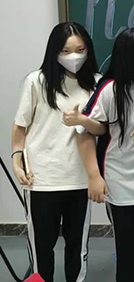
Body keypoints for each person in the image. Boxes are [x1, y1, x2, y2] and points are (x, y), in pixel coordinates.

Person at [63, 28, 134, 282]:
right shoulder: (110, 89)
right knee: (127, 256)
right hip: (121, 185)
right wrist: (94, 176)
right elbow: (86, 132)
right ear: (127, 56)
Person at [11, 22, 99, 282]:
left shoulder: (97, 83)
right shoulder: (36, 81)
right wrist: (17, 162)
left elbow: (102, 128)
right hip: (41, 179)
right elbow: (20, 128)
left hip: (79, 179)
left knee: (77, 247)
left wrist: (82, 121)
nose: (74, 57)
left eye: (80, 50)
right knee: (42, 247)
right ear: (54, 52)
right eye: (66, 51)